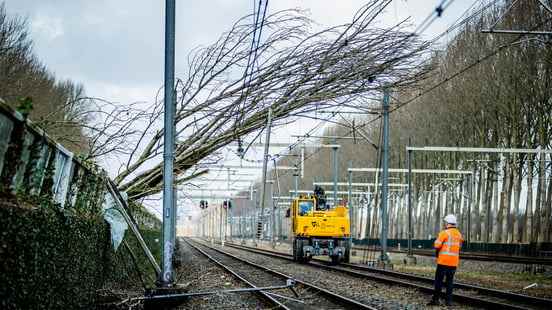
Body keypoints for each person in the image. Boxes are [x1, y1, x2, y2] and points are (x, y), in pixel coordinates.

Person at [428, 214, 463, 306]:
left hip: (443, 262)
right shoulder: (459, 234)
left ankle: (435, 300)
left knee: (438, 281)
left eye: (445, 223)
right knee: (450, 282)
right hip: (454, 263)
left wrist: (436, 240)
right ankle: (449, 301)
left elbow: (437, 245)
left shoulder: (444, 233)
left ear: (447, 223)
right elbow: (459, 247)